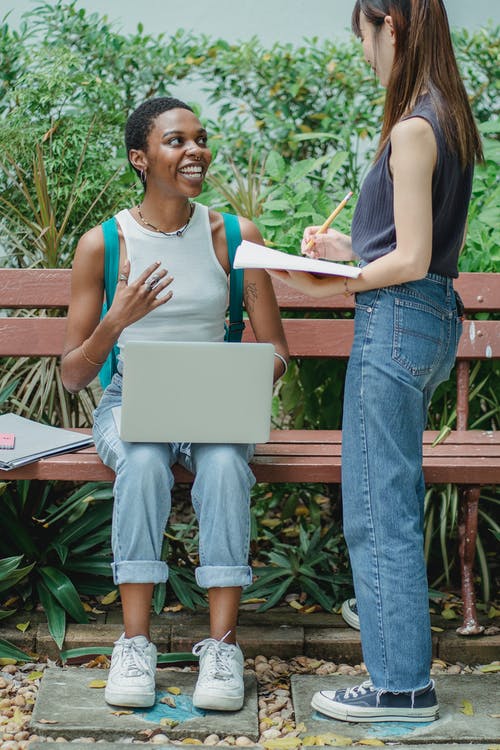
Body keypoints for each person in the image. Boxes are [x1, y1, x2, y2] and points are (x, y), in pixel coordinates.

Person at [268, 0, 482, 724]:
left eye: (361, 35)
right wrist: (347, 255)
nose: (362, 52)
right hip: (424, 321)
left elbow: (413, 258)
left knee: (375, 507)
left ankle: (399, 688)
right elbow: (414, 249)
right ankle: (401, 672)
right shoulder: (444, 116)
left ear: (389, 25)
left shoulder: (413, 126)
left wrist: (328, 281)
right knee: (388, 496)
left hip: (394, 322)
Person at [61, 96, 289, 712]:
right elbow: (72, 374)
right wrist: (117, 321)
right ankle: (134, 644)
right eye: (175, 141)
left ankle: (221, 648)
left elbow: (276, 351)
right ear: (141, 158)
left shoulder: (235, 235)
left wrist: (241, 379)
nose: (194, 151)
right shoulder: (103, 243)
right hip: (129, 396)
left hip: (214, 400)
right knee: (142, 459)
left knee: (220, 465)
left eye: (200, 139)